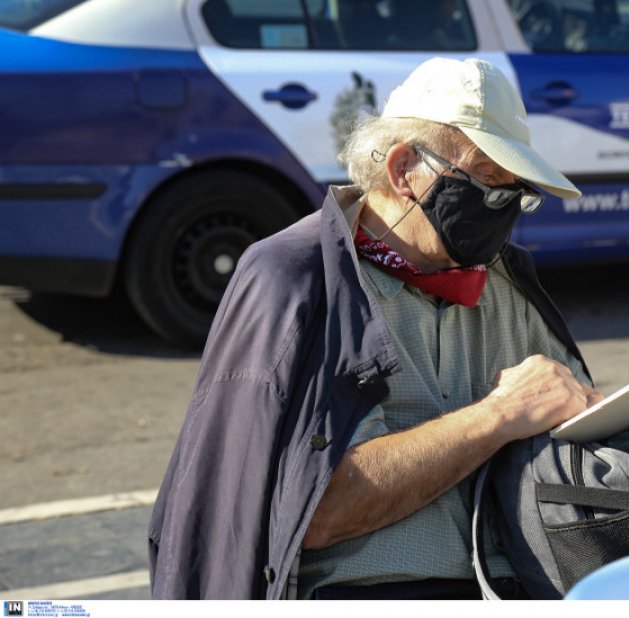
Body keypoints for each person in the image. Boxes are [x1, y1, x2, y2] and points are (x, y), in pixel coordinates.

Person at [148, 57, 602, 600]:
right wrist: (500, 416)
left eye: (515, 191)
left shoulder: (505, 284)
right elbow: (317, 510)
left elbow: (578, 415)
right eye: (486, 180)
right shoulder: (302, 281)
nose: (502, 210)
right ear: (403, 167)